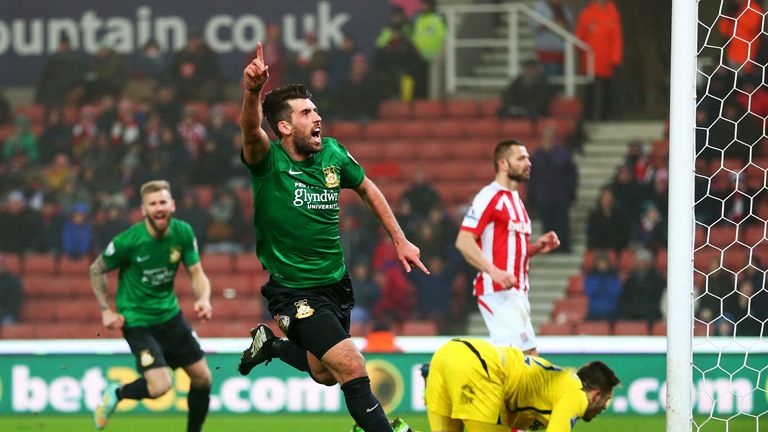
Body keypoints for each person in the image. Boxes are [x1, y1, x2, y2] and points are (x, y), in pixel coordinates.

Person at [236, 43, 428, 432]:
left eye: (316, 110)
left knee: (325, 374)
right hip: (294, 292)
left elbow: (368, 188)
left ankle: (271, 346)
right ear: (285, 127)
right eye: (307, 113)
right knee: (353, 366)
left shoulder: (334, 155)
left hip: (336, 286)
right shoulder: (268, 161)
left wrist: (400, 239)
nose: (317, 117)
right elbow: (250, 129)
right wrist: (254, 92)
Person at [90, 180, 213, 432]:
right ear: (144, 209)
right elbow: (97, 269)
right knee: (160, 387)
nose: (159, 208)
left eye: (163, 202)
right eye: (153, 204)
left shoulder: (183, 232)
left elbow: (196, 273)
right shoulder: (129, 241)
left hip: (171, 317)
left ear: (173, 205)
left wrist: (203, 298)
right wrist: (106, 309)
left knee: (203, 379)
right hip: (138, 322)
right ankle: (117, 394)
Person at [455, 139, 561, 355]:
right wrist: (494, 272)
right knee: (527, 357)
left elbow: (509, 248)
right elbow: (464, 241)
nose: (528, 162)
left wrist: (536, 248)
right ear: (503, 164)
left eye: (528, 158)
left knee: (513, 365)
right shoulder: (489, 196)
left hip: (517, 293)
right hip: (498, 292)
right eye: (521, 158)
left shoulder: (517, 200)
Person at [425, 337, 620, 432]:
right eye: (607, 399)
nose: (605, 406)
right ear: (595, 394)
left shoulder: (551, 389)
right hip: (478, 366)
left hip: (446, 355)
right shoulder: (576, 393)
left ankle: (399, 430)